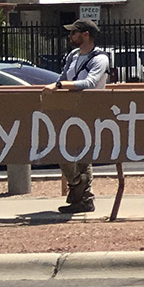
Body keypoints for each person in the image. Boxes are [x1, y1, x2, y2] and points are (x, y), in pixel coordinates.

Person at [47, 18, 111, 213]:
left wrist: (59, 86)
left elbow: (90, 83)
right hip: (69, 109)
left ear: (85, 35)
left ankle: (82, 199)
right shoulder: (74, 55)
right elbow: (63, 76)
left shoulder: (100, 58)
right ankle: (78, 185)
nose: (70, 36)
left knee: (83, 155)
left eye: (74, 33)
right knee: (60, 148)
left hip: (90, 110)